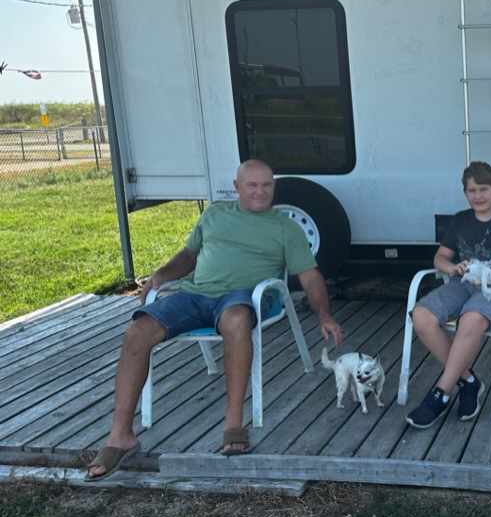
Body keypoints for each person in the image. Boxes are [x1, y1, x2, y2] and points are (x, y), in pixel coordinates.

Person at [85, 160, 344, 479]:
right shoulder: (214, 215)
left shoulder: (284, 226)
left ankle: (233, 423)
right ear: (236, 187)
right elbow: (189, 256)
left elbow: (310, 275)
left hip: (244, 295)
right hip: (194, 294)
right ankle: (120, 434)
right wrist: (163, 274)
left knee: (236, 321)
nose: (261, 192)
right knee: (137, 332)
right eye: (252, 185)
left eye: (267, 185)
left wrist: (324, 314)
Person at [407, 161, 491, 428]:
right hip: (460, 283)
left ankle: (441, 393)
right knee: (421, 316)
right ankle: (469, 381)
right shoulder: (460, 220)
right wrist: (453, 267)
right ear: (465, 193)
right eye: (471, 190)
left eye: (483, 189)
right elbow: (439, 258)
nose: (478, 196)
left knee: (471, 319)